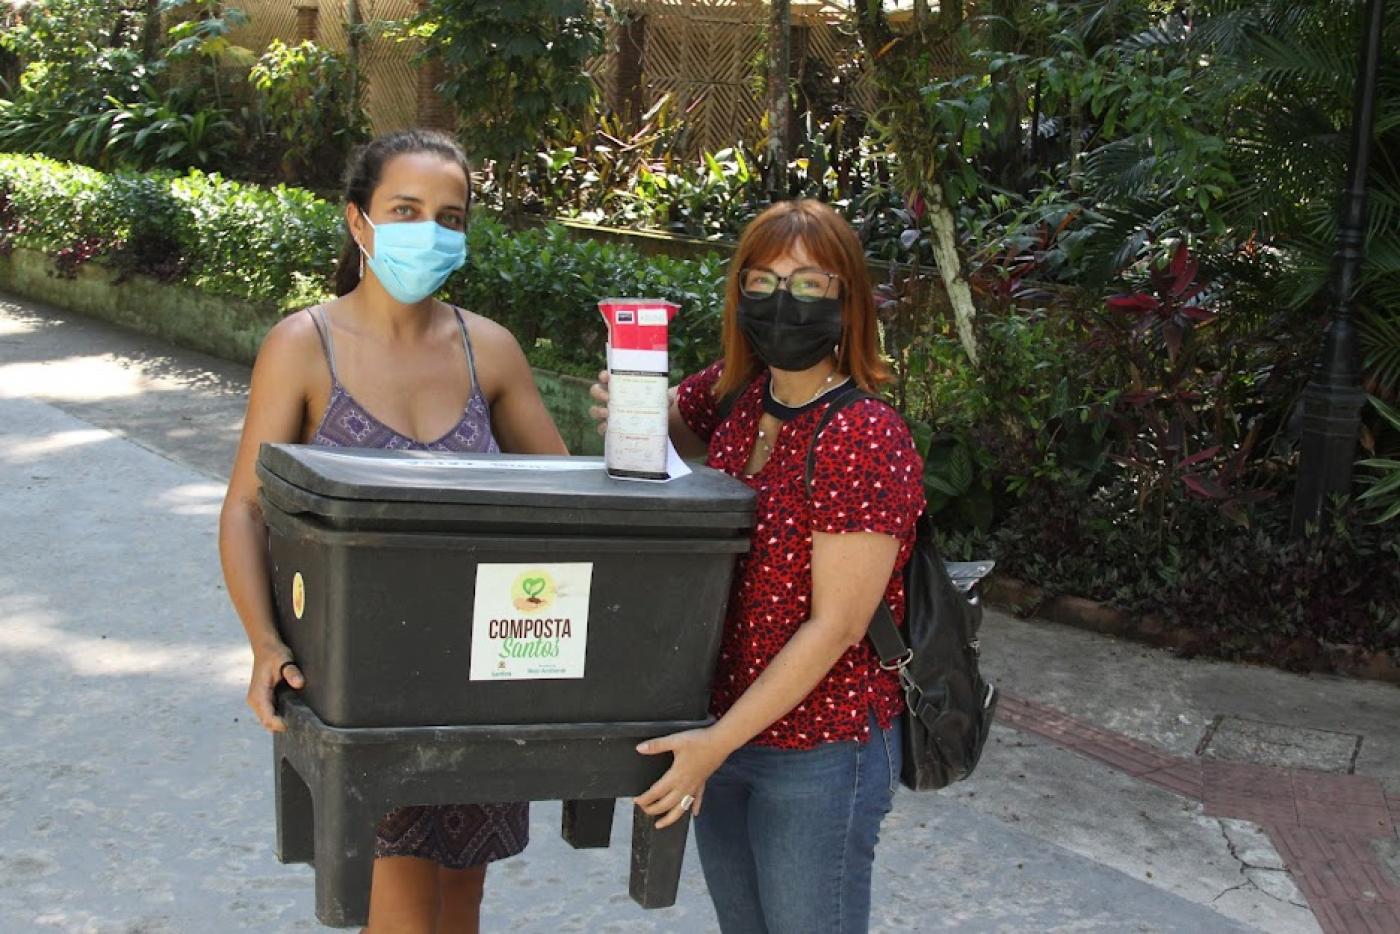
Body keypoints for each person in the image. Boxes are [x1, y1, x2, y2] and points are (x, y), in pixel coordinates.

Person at [219, 129, 567, 934]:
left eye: (450, 216)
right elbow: (245, 508)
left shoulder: (493, 353)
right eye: (405, 210)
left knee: (460, 909)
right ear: (359, 222)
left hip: (485, 686)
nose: (429, 231)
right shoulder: (304, 346)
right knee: (402, 916)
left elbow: (569, 506)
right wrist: (265, 643)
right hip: (361, 689)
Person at [589, 198, 925, 934]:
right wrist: (630, 399)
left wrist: (717, 742)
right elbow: (663, 427)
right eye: (763, 282)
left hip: (818, 751)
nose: (783, 302)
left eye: (809, 285)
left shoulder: (864, 435)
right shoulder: (740, 392)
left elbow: (836, 627)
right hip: (723, 732)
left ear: (848, 303)